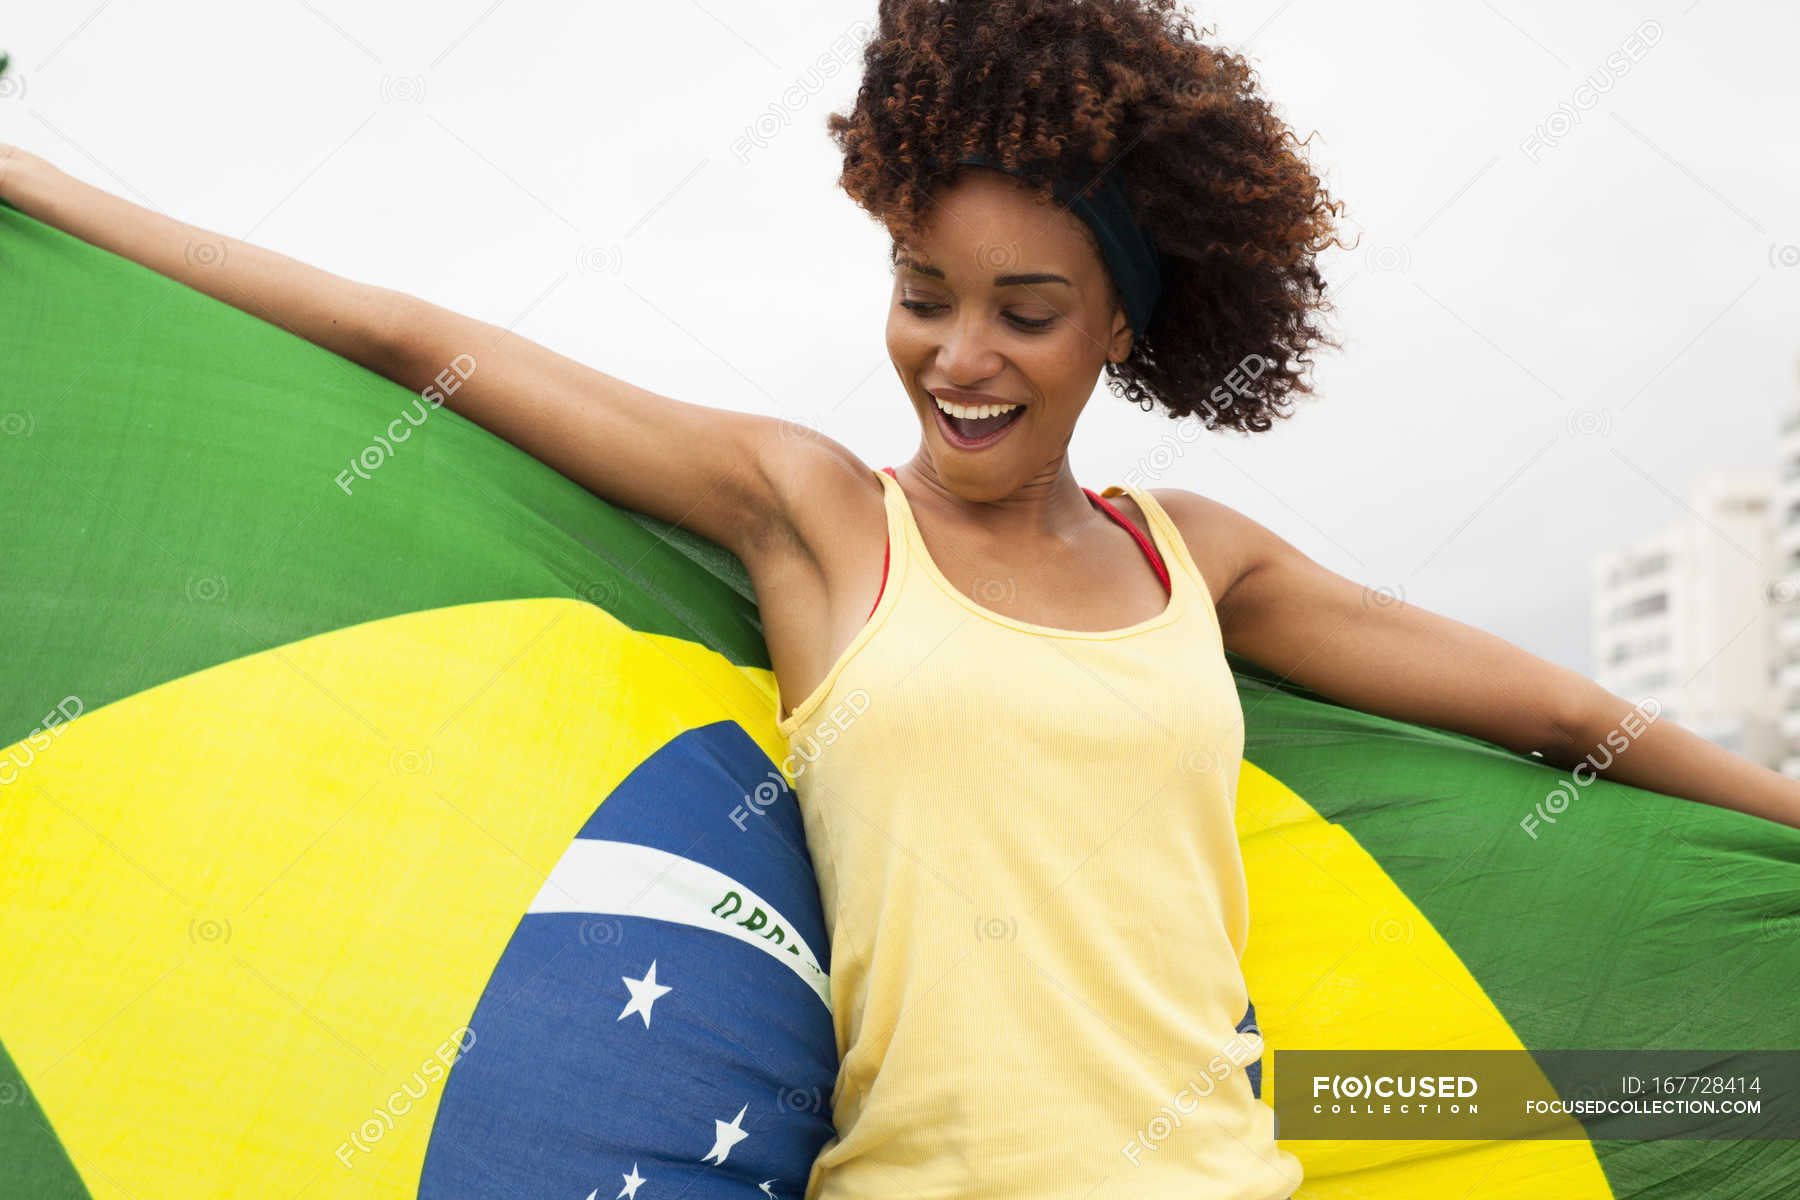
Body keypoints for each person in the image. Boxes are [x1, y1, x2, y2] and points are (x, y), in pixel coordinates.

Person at [3, 1, 1795, 1196]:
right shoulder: (817, 522)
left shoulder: (1204, 564)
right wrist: (38, 188)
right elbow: (422, 341)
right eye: (924, 291)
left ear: (1123, 329)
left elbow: (1571, 722)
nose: (959, 354)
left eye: (1027, 309)